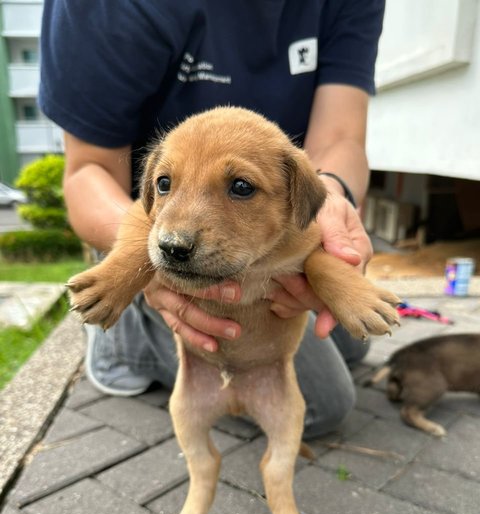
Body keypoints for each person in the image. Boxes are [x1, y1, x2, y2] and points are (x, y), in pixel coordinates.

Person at [39, 0, 385, 438]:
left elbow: (340, 138)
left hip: (267, 223)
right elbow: (89, 170)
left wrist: (332, 197)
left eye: (239, 185)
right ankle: (125, 344)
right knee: (324, 405)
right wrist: (135, 260)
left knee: (355, 342)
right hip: (146, 224)